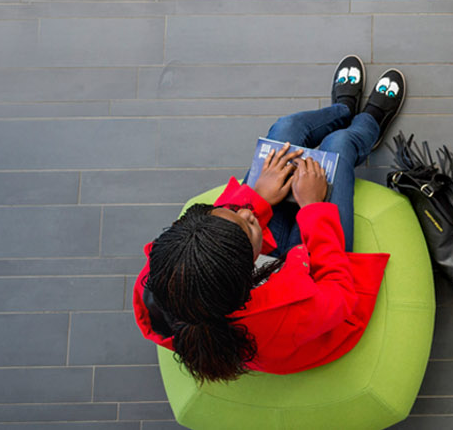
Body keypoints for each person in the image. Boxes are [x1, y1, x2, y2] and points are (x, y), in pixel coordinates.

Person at [132, 56, 407, 381]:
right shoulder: (281, 318)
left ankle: (343, 110)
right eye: (249, 224)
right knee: (338, 146)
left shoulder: (170, 275)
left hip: (270, 273)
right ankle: (366, 125)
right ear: (248, 267)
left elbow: (233, 219)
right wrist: (312, 208)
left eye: (231, 213)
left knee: (285, 131)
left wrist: (256, 196)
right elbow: (340, 294)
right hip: (318, 291)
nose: (247, 212)